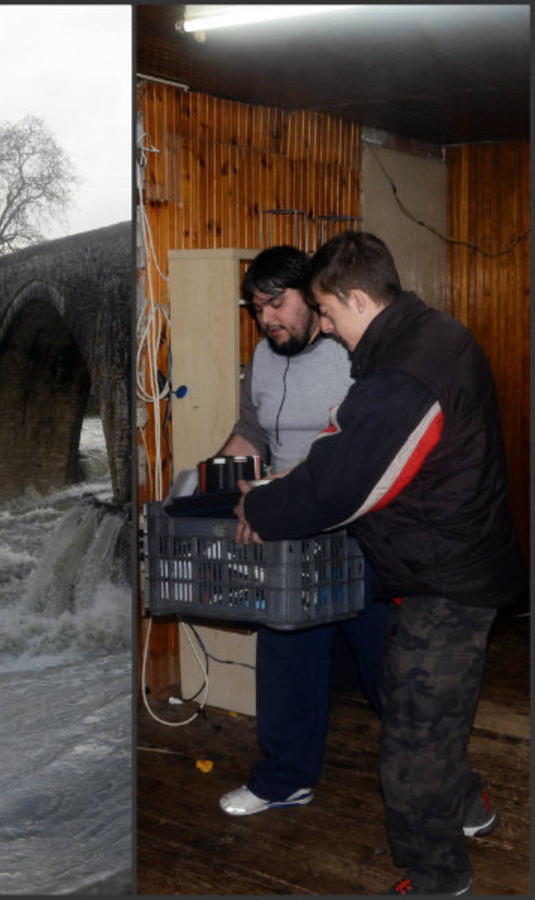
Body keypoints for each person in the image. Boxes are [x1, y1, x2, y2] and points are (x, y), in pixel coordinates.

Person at [234, 231, 526, 896]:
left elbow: (347, 482)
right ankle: (468, 807)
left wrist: (266, 508)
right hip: (451, 564)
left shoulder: (404, 372)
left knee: (413, 749)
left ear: (357, 298)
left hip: (443, 578)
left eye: (330, 314)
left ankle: (436, 878)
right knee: (419, 706)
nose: (328, 330)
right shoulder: (430, 334)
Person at [210, 245, 391, 819]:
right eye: (256, 309)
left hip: (358, 531)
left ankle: (440, 783)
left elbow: (367, 444)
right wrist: (211, 481)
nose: (267, 320)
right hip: (287, 529)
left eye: (277, 304)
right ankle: (285, 778)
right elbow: (252, 430)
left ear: (312, 299)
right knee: (286, 651)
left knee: (389, 663)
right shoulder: (263, 357)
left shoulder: (353, 352)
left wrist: (295, 486)